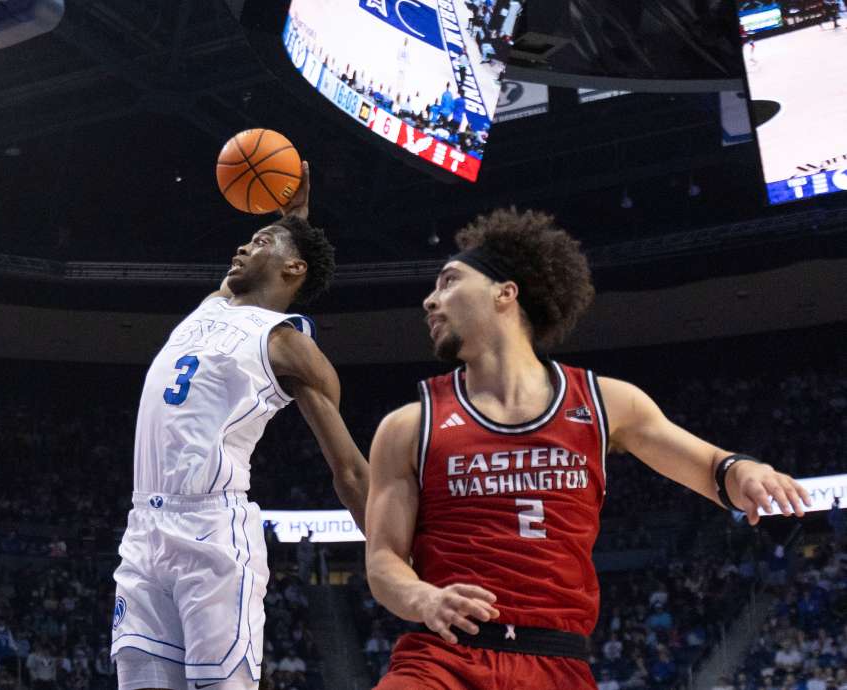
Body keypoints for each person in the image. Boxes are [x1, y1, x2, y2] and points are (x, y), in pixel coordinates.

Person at [363, 208, 811, 689]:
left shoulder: (606, 403)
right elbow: (383, 559)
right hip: (442, 660)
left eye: (448, 281)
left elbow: (710, 467)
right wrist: (423, 599)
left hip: (556, 664)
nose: (430, 300)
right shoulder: (408, 426)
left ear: (505, 292)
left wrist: (742, 471)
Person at [110, 162, 371, 690]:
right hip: (144, 530)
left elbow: (350, 471)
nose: (242, 248)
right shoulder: (214, 304)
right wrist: (292, 213)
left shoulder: (287, 344)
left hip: (212, 534)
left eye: (259, 241)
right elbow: (284, 250)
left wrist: (399, 559)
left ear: (293, 269)